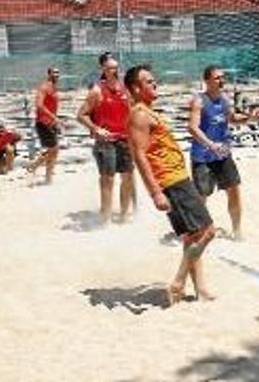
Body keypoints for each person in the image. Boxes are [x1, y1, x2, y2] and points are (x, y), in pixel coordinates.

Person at [125, 65, 217, 304]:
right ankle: (178, 280)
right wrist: (156, 192)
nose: (155, 84)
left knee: (191, 236)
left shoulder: (147, 111)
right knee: (208, 232)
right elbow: (139, 155)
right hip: (171, 181)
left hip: (176, 177)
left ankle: (201, 290)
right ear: (136, 88)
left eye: (154, 80)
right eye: (148, 81)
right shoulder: (139, 115)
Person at [187, 65, 259, 240]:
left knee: (234, 189)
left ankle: (237, 231)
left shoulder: (224, 100)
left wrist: (251, 118)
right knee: (203, 195)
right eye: (217, 78)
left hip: (222, 154)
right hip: (203, 157)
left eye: (223, 77)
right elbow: (192, 127)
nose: (222, 81)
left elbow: (232, 119)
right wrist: (210, 144)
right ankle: (198, 231)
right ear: (207, 81)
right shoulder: (199, 101)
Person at [77, 52, 136, 225]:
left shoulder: (125, 89)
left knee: (128, 176)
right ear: (103, 69)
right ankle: (106, 219)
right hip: (105, 141)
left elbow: (133, 111)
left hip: (125, 139)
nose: (115, 71)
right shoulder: (96, 90)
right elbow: (81, 115)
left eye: (116, 68)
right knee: (107, 178)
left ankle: (124, 216)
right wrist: (96, 128)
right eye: (111, 68)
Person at [27, 66, 61, 184]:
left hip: (51, 123)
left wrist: (55, 122)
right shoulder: (44, 87)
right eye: (54, 73)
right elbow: (39, 105)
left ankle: (48, 177)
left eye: (58, 73)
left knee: (54, 151)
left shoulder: (54, 88)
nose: (56, 75)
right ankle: (35, 165)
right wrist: (53, 117)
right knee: (54, 149)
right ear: (49, 74)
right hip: (43, 123)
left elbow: (52, 107)